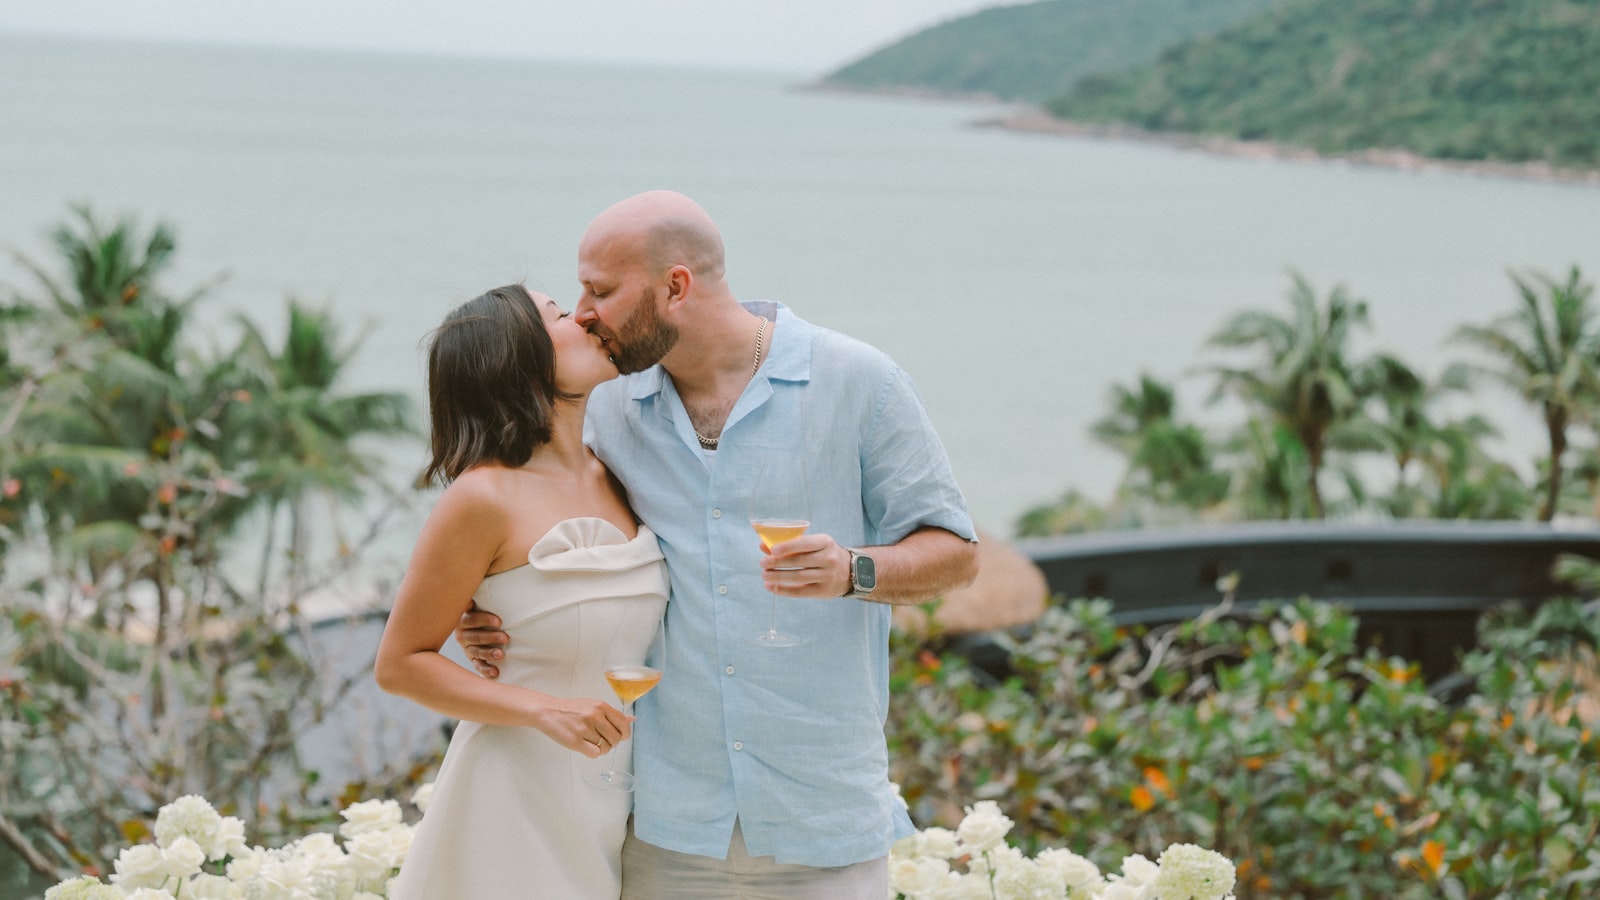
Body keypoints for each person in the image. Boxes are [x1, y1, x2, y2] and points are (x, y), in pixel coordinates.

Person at [458, 190, 980, 899]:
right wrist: (484, 605)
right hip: (667, 827)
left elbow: (956, 551)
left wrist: (854, 570)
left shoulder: (860, 382)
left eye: (600, 291)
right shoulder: (607, 409)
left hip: (823, 821)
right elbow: (523, 511)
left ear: (675, 287)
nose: (583, 313)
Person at [375, 284, 669, 899]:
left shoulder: (617, 467)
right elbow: (400, 663)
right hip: (509, 798)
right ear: (517, 356)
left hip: (606, 798)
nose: (587, 315)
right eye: (560, 313)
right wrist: (543, 708)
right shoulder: (482, 498)